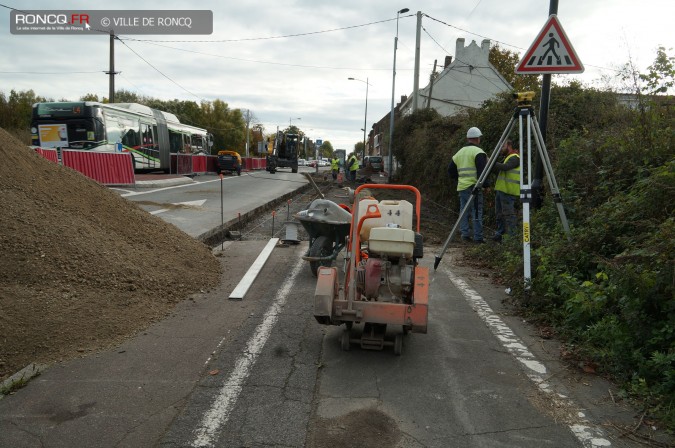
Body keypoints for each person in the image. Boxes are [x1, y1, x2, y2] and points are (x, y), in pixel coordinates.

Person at [448, 127, 487, 243]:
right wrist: (486, 185)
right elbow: (482, 171)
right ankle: (478, 237)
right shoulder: (478, 152)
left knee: (464, 211)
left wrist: (459, 179)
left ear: (468, 138)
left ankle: (465, 234)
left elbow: (450, 170)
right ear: (478, 138)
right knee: (476, 211)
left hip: (462, 187)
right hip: (474, 187)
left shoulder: (459, 152)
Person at [492, 139, 520, 242]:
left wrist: (490, 161)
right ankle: (500, 233)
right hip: (501, 190)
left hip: (508, 191)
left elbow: (505, 167)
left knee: (508, 215)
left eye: (502, 146)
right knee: (499, 214)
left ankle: (512, 237)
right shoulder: (507, 157)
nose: (500, 149)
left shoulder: (515, 158)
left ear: (509, 146)